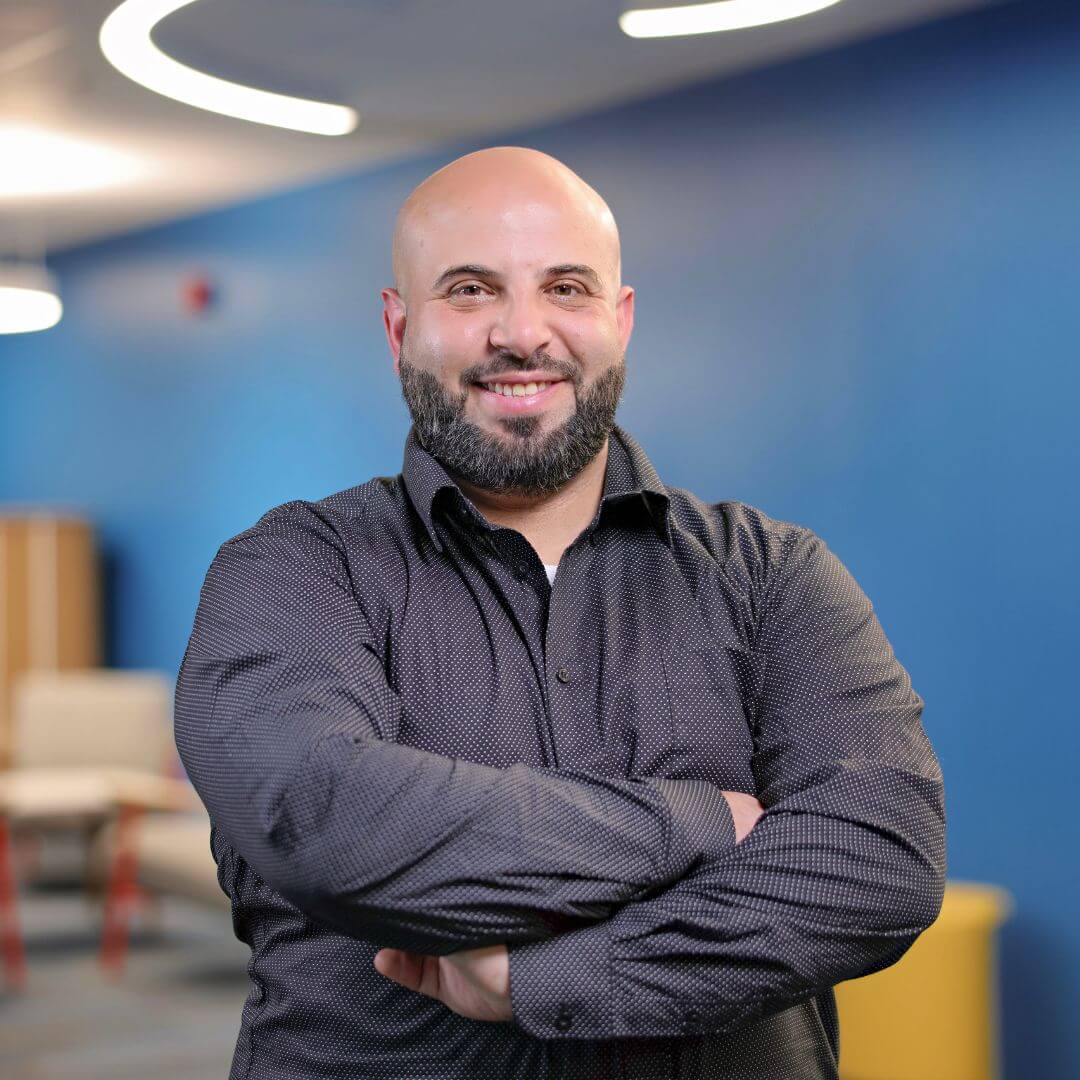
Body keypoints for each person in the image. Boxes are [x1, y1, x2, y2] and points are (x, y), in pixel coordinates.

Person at [174, 146, 946, 1080]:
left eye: (567, 288)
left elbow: (879, 859)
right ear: (399, 327)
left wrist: (561, 974)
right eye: (470, 289)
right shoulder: (293, 570)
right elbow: (324, 818)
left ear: (618, 322)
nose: (522, 332)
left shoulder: (772, 575)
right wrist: (704, 827)